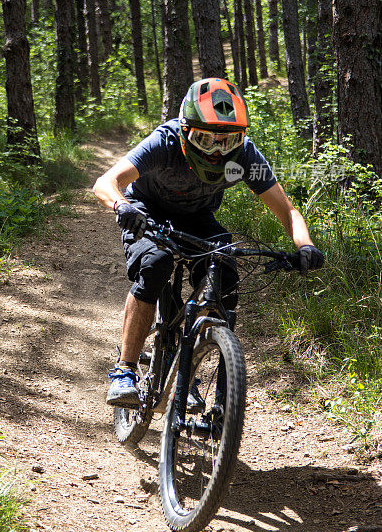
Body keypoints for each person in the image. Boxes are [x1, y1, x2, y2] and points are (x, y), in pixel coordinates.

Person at [92, 78, 324, 408]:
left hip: (197, 216)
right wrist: (122, 206)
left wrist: (305, 247)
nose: (216, 151)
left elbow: (286, 210)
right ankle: (124, 370)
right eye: (205, 139)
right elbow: (106, 182)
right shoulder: (165, 141)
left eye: (226, 141)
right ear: (187, 131)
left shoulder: (244, 156)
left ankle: (190, 372)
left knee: (225, 275)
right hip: (146, 210)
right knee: (155, 264)